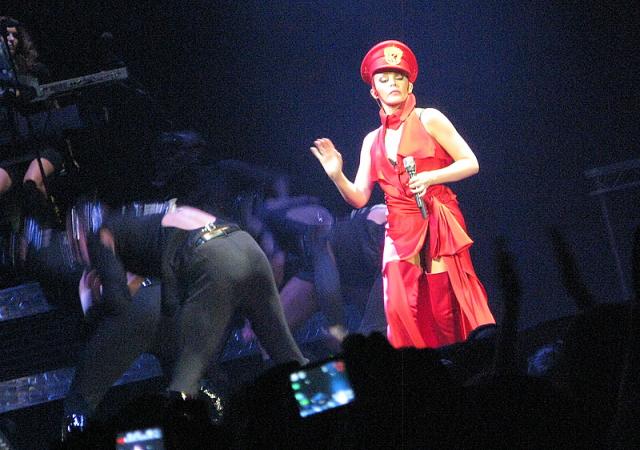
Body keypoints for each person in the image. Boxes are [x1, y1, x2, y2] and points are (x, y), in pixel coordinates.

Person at [63, 199, 307, 436]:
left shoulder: (102, 235)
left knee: (183, 385)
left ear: (81, 232)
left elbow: (119, 304)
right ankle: (325, 416)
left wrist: (90, 305)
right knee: (287, 353)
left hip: (209, 259)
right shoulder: (143, 216)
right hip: (245, 244)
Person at [311, 40, 494, 349]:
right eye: (384, 79)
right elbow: (359, 197)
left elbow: (470, 162)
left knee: (444, 303)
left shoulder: (429, 118)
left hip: (437, 218)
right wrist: (337, 175)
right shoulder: (372, 140)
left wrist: (432, 176)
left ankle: (463, 356)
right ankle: (416, 365)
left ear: (410, 85)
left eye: (399, 77)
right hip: (399, 228)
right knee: (399, 308)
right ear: (374, 91)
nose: (393, 84)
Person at [0, 16, 63, 226]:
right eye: (5, 35)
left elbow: (47, 105)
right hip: (10, 152)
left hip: (41, 145)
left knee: (32, 183)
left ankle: (48, 231)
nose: (10, 39)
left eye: (14, 35)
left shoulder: (34, 70)